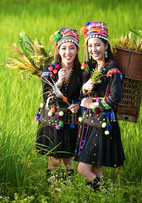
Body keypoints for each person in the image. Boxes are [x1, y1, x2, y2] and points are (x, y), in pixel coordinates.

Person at [74, 22, 125, 190]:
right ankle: (101, 200)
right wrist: (84, 87)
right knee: (96, 169)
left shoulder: (112, 68)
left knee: (82, 170)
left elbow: (114, 98)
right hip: (89, 123)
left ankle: (105, 194)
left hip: (103, 124)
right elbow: (82, 97)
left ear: (106, 46)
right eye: (90, 45)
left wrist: (91, 104)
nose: (93, 49)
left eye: (97, 45)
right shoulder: (90, 68)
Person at [35, 28, 83, 179]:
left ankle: (67, 191)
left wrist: (79, 105)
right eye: (63, 48)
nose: (67, 52)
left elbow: (85, 95)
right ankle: (53, 192)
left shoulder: (81, 72)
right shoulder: (49, 71)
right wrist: (59, 82)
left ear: (77, 50)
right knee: (54, 159)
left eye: (71, 48)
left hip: (71, 121)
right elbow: (46, 96)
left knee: (68, 158)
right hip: (53, 119)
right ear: (58, 50)